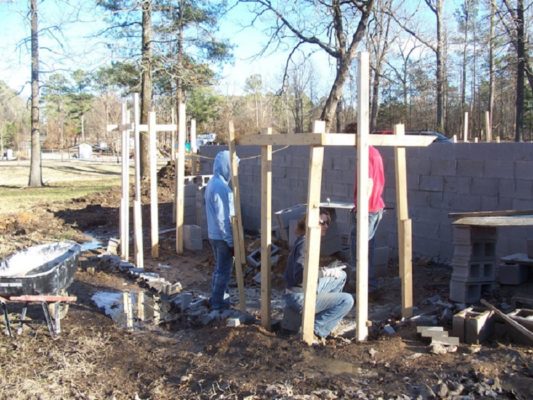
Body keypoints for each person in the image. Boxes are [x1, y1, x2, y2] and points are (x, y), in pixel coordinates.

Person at [283, 209, 354, 339]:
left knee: (341, 276)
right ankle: (315, 330)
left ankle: (322, 316)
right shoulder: (305, 243)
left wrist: (328, 271)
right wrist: (324, 272)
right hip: (299, 296)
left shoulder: (308, 240)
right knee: (347, 300)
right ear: (309, 223)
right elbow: (300, 275)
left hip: (302, 290)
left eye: (327, 223)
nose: (326, 226)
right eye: (322, 222)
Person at [346, 122, 385, 295]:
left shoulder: (365, 154)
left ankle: (366, 288)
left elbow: (368, 182)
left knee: (359, 251)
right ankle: (369, 285)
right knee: (367, 248)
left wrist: (361, 208)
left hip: (368, 209)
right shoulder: (375, 152)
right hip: (376, 207)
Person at [205, 150, 238, 310]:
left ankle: (218, 300)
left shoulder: (214, 183)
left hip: (214, 234)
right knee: (223, 271)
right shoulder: (220, 187)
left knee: (219, 269)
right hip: (221, 237)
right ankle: (218, 304)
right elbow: (223, 217)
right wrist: (230, 241)